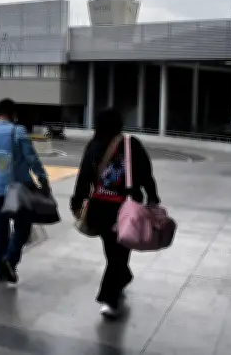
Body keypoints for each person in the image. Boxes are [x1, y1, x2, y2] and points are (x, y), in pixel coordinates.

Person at [69, 108, 160, 318]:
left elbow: (84, 177)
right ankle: (111, 296)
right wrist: (152, 197)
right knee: (117, 254)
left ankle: (116, 286)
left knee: (114, 253)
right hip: (126, 208)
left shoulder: (94, 145)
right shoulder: (131, 144)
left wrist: (77, 201)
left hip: (100, 207)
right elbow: (146, 173)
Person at [0, 98, 49, 283]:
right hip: (18, 191)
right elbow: (32, 159)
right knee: (23, 227)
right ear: (14, 116)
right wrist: (43, 178)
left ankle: (0, 271)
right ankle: (10, 259)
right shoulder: (18, 132)